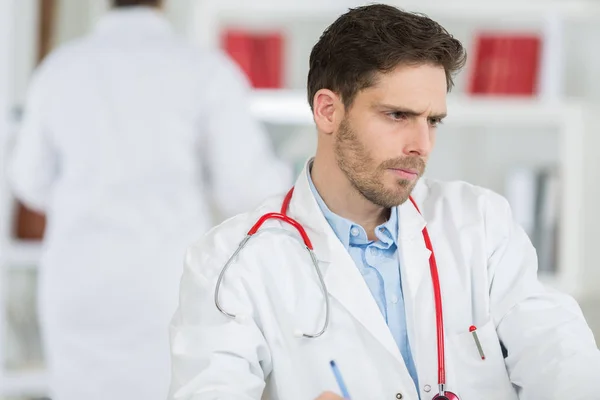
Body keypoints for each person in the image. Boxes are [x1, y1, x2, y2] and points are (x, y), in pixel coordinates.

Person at [168, 4, 600, 400]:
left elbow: (560, 357)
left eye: (433, 120)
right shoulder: (230, 261)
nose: (421, 144)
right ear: (328, 111)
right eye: (398, 115)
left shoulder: (480, 222)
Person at [7, 1, 292, 399]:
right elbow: (246, 188)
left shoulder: (60, 69)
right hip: (163, 281)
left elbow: (28, 181)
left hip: (78, 279)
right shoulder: (204, 70)